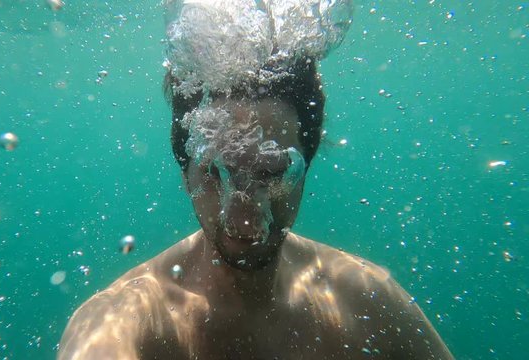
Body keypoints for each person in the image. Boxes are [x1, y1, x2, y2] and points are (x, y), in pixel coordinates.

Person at [59, 1, 454, 359]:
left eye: (272, 173)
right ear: (185, 174)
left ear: (306, 171)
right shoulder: (127, 324)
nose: (245, 216)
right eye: (217, 173)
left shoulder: (367, 298)